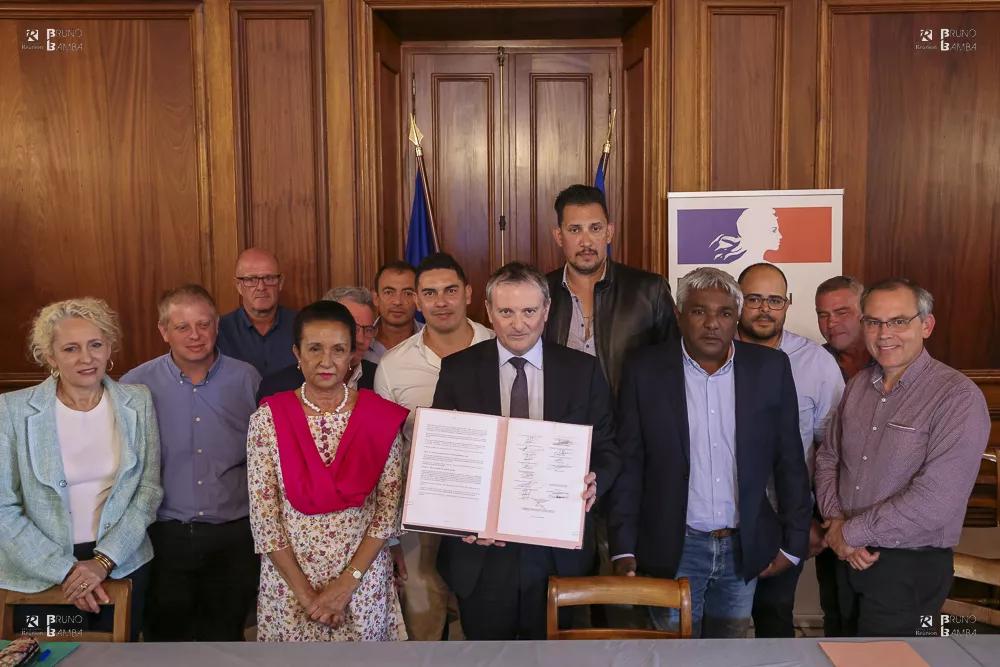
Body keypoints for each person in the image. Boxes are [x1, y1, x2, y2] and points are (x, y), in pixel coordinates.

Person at [609, 267, 811, 639]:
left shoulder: (770, 368)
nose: (712, 323)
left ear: (737, 317)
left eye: (724, 313)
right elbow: (630, 464)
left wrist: (794, 543)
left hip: (742, 547)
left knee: (728, 652)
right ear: (679, 315)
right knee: (674, 654)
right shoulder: (645, 370)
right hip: (674, 547)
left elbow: (790, 461)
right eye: (700, 311)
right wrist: (622, 547)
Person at [431, 262, 620, 640]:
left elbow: (608, 450)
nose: (518, 324)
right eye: (506, 312)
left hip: (556, 553)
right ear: (489, 311)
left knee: (553, 660)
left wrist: (595, 482)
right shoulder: (457, 370)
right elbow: (442, 458)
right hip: (481, 553)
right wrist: (459, 517)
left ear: (546, 310)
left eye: (529, 311)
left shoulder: (582, 371)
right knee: (487, 661)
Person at [815, 278, 990, 637]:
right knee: (837, 654)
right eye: (874, 322)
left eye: (898, 321)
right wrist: (835, 522)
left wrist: (852, 532)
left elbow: (937, 499)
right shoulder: (858, 386)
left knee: (889, 659)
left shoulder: (958, 397)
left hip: (909, 568)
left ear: (926, 325)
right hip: (843, 556)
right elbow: (828, 457)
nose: (884, 334)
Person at [0, 298, 162, 642]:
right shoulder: (11, 410)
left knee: (116, 660)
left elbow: (148, 491)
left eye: (95, 345)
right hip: (39, 573)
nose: (86, 358)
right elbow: (3, 508)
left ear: (109, 349)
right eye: (71, 348)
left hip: (121, 565)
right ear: (51, 357)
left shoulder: (138, 401)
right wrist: (66, 571)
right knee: (51, 657)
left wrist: (102, 562)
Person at [248, 301, 409, 641]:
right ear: (297, 353)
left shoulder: (379, 417)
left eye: (338, 349)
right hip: (291, 585)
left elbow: (388, 511)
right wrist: (308, 597)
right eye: (315, 349)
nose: (326, 361)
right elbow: (265, 520)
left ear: (352, 354)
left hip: (361, 581)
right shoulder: (268, 419)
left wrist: (346, 584)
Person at [121, 284, 261, 642]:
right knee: (164, 643)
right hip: (163, 537)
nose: (195, 336)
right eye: (182, 327)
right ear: (164, 331)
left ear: (217, 325)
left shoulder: (248, 379)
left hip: (233, 537)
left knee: (227, 642)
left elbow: (265, 457)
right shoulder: (135, 386)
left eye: (203, 324)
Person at [373, 252, 494, 641]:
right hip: (420, 515)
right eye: (429, 293)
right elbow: (386, 455)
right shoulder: (393, 366)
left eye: (450, 291)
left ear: (468, 294)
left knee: (488, 624)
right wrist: (390, 535)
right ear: (417, 300)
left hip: (488, 514)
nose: (441, 302)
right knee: (423, 623)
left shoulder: (501, 346)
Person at [736, 263, 845, 638]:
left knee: (774, 619)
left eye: (775, 300)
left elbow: (833, 451)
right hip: (720, 522)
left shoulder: (816, 362)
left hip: (784, 520)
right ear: (737, 300)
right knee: (714, 628)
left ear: (788, 303)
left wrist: (813, 520)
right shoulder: (713, 353)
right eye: (754, 299)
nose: (765, 309)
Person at [544, 184, 677, 398]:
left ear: (609, 233)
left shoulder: (650, 290)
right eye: (575, 230)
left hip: (626, 418)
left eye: (595, 229)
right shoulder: (539, 292)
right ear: (559, 237)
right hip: (559, 418)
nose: (586, 241)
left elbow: (672, 367)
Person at [256, 286, 378, 404]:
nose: (360, 340)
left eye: (368, 330)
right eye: (353, 328)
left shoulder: (380, 377)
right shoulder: (276, 388)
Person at [218, 248, 298, 376]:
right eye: (251, 279)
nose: (261, 287)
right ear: (238, 285)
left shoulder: (303, 326)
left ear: (280, 282)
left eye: (269, 278)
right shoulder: (219, 331)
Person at [815, 276, 873, 381]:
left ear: (865, 313)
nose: (831, 323)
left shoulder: (889, 356)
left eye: (842, 313)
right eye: (823, 315)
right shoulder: (813, 362)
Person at [366, 261, 423, 364]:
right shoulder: (360, 341)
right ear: (376, 298)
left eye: (408, 293)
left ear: (418, 299)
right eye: (389, 292)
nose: (397, 301)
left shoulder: (433, 340)